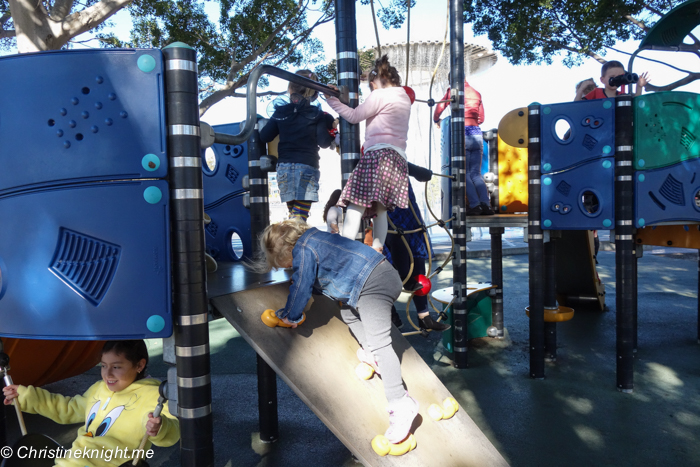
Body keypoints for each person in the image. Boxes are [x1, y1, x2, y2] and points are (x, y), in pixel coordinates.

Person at [255, 219, 419, 444]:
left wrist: (290, 315)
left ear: (285, 250)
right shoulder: (316, 238)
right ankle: (372, 354)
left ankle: (401, 404)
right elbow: (323, 276)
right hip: (377, 276)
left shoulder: (303, 250)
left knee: (381, 343)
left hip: (373, 284)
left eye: (282, 263)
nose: (286, 267)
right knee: (349, 313)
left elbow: (301, 284)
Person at [2, 340, 180, 467]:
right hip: (72, 461)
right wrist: (25, 396)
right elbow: (68, 409)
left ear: (140, 365)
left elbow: (172, 428)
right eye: (103, 366)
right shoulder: (99, 389)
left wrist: (159, 428)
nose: (107, 374)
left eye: (116, 367)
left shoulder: (153, 396)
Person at [324, 55, 411, 253]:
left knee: (357, 202)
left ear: (373, 84)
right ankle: (377, 250)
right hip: (397, 160)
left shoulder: (379, 95)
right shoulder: (404, 97)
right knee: (380, 210)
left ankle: (345, 248)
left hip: (377, 156)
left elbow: (354, 116)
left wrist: (332, 100)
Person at [260, 70, 336, 222]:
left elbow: (264, 136)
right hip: (307, 166)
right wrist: (332, 131)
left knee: (294, 216)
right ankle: (290, 244)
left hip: (284, 168)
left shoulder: (281, 112)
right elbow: (324, 142)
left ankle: (290, 243)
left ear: (289, 89)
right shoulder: (316, 114)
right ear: (314, 93)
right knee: (299, 217)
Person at [385, 183, 450, 332]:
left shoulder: (400, 168)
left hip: (410, 217)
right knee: (397, 243)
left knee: (419, 272)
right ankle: (394, 312)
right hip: (390, 218)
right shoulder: (378, 167)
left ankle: (424, 317)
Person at [433, 79, 494, 216]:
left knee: (464, 173)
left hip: (463, 133)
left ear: (450, 79)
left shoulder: (453, 91)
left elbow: (439, 108)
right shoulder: (476, 93)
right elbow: (481, 119)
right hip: (477, 134)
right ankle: (486, 204)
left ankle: (475, 205)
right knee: (476, 174)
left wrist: (436, 120)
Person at [575, 60, 649, 101]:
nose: (617, 80)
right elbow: (577, 106)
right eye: (612, 77)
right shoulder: (597, 92)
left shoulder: (622, 95)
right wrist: (580, 90)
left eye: (620, 77)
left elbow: (635, 105)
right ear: (602, 80)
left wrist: (639, 86)